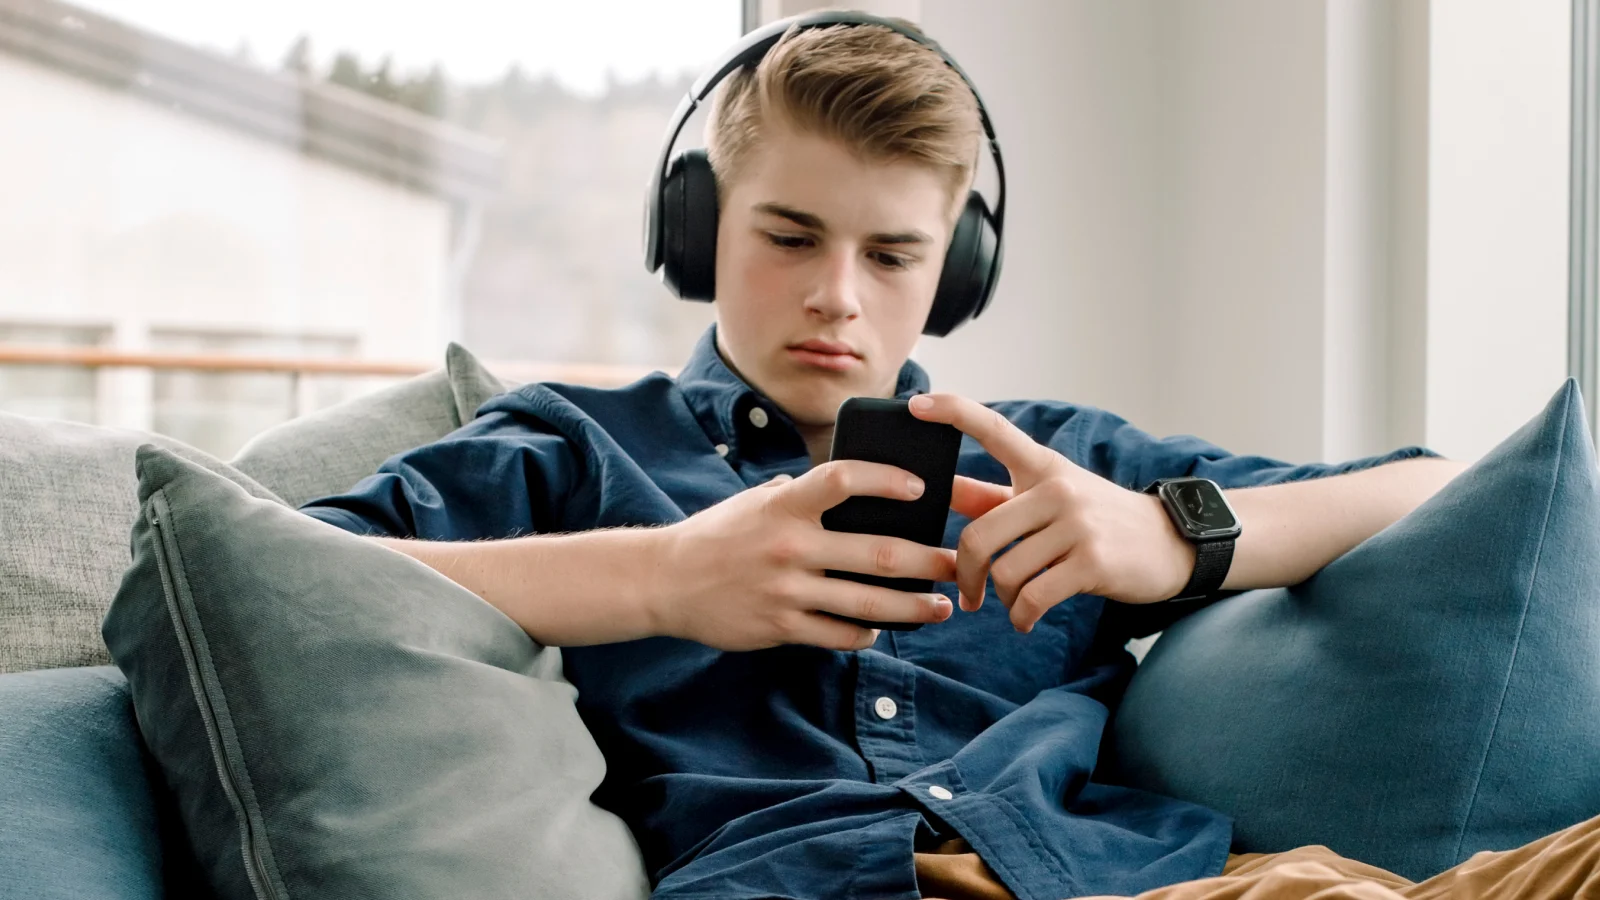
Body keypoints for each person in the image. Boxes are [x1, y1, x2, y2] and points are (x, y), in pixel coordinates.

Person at [299, 12, 1600, 900]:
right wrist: (663, 581)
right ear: (697, 234)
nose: (838, 298)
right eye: (790, 236)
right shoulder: (580, 453)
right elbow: (285, 573)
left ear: (958, 274)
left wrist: (1176, 535)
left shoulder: (1065, 466)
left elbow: (1451, 491)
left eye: (892, 255)